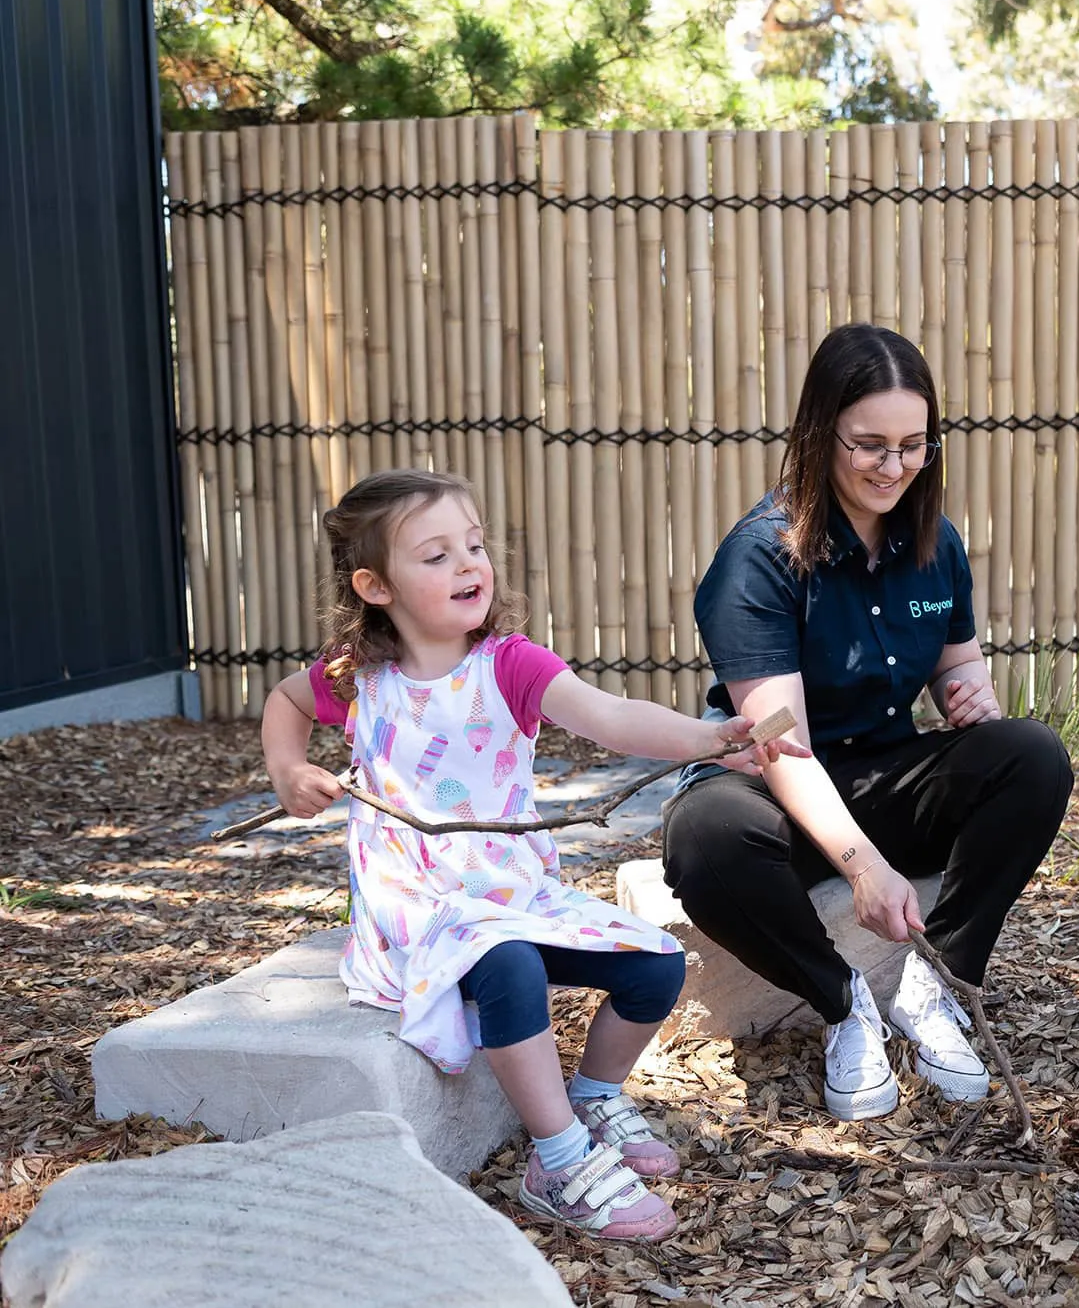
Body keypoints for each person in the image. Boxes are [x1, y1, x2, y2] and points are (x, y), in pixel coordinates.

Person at [260, 469, 803, 1243]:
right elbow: (284, 702)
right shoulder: (359, 676)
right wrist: (287, 770)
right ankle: (556, 1158)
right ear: (374, 584)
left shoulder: (509, 664)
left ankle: (592, 1091)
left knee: (653, 965)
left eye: (474, 545)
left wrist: (707, 738)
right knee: (509, 963)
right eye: (438, 554)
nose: (469, 564)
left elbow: (611, 716)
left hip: (506, 887)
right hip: (413, 901)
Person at [661, 323, 1074, 1122]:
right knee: (704, 838)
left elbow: (958, 661)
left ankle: (936, 985)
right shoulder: (760, 556)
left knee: (1032, 755)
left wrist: (970, 697)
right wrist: (861, 865)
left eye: (914, 446)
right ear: (821, 434)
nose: (894, 467)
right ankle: (844, 1001)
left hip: (886, 767)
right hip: (777, 784)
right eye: (871, 445)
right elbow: (781, 741)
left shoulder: (934, 542)